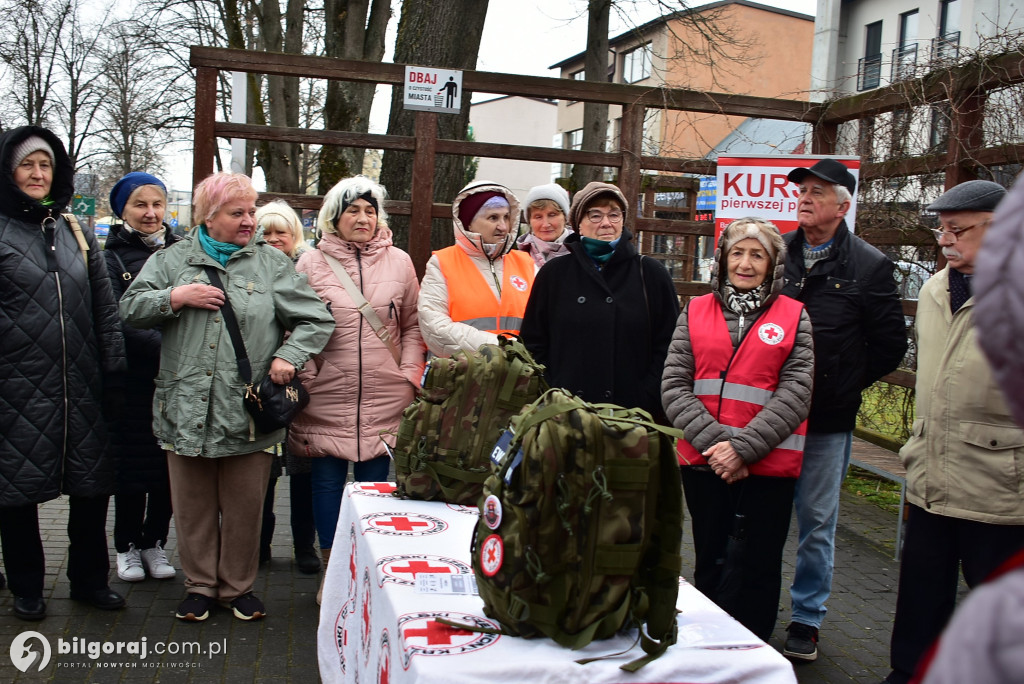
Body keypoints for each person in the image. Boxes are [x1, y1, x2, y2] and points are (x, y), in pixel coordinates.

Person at [120, 172, 334, 622]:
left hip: (247, 412)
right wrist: (176, 296)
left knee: (244, 507)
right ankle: (199, 586)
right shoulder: (173, 259)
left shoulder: (271, 265)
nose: (249, 221)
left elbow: (317, 319)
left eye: (251, 211)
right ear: (208, 216)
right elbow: (130, 309)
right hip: (185, 407)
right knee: (193, 507)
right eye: (238, 213)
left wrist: (289, 356)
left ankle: (237, 588)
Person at [882, 180, 1024, 684]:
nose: (945, 240)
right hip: (931, 477)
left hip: (1000, 486)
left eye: (958, 229)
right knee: (920, 599)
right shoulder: (933, 287)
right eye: (941, 229)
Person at [779, 158, 908, 661]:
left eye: (817, 190)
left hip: (826, 421)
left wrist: (841, 385)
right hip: (768, 416)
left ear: (844, 205)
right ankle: (749, 604)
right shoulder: (775, 253)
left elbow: (889, 345)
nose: (805, 197)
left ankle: (806, 619)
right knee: (760, 514)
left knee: (816, 521)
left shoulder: (870, 266)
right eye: (801, 190)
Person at [662, 217, 813, 641]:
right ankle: (708, 646)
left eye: (757, 254)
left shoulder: (794, 316)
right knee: (710, 557)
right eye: (737, 252)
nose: (745, 263)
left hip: (767, 467)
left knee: (760, 564)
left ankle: (753, 650)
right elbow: (674, 385)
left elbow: (797, 393)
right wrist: (719, 447)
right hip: (704, 463)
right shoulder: (694, 310)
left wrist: (743, 449)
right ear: (723, 259)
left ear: (773, 264)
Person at [0, 125, 127, 620]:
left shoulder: (74, 230)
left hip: (82, 385)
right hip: (16, 387)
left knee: (91, 489)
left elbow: (104, 307)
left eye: (45, 165)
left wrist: (113, 369)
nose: (37, 173)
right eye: (27, 164)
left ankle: (90, 580)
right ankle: (27, 586)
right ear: (9, 171)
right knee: (17, 493)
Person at [289, 176, 424, 605]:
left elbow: (413, 323)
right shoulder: (310, 264)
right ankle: (332, 571)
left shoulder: (400, 262)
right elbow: (293, 323)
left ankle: (368, 569)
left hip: (387, 392)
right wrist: (309, 373)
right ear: (335, 217)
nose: (363, 218)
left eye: (370, 211)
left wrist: (409, 373)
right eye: (353, 211)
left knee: (375, 487)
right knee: (326, 484)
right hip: (328, 392)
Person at [520, 181, 679, 418]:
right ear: (578, 224)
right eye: (595, 215)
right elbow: (533, 345)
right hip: (566, 416)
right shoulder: (554, 274)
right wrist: (553, 393)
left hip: (633, 419)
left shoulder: (650, 273)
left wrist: (645, 398)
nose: (606, 223)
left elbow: (670, 346)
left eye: (614, 214)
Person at [104, 172, 181, 584]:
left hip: (178, 382)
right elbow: (119, 317)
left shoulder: (182, 251)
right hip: (136, 382)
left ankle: (155, 542)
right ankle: (127, 546)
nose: (151, 213)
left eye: (157, 204)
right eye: (140, 205)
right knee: (132, 471)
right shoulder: (110, 257)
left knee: (169, 470)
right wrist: (170, 349)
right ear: (123, 211)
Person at [252, 201, 320, 575]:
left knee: (302, 469)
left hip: (300, 386)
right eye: (267, 231)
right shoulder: (249, 270)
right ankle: (259, 542)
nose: (275, 239)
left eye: (283, 232)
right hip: (258, 388)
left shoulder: (307, 272)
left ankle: (303, 545)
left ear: (296, 236)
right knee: (261, 470)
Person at [418, 180, 535, 357]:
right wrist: (501, 347)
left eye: (506, 217)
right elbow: (434, 328)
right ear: (468, 223)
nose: (503, 226)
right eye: (493, 217)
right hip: (461, 378)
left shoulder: (526, 263)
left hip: (519, 379)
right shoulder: (442, 263)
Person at [516, 182, 573, 267]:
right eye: (538, 217)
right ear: (529, 221)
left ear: (565, 217)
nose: (545, 224)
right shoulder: (517, 260)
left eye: (552, 215)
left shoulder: (582, 254)